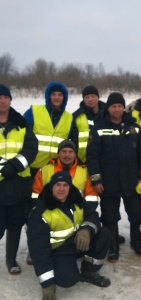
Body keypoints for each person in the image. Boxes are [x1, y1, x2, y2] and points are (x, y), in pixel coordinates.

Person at [86, 92, 141, 262]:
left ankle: (136, 242)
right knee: (109, 216)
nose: (117, 109)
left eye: (120, 106)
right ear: (108, 108)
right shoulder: (98, 128)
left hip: (131, 181)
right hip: (108, 182)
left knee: (136, 214)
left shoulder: (134, 128)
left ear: (124, 108)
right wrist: (96, 180)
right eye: (113, 106)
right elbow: (92, 156)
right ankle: (112, 247)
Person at [27, 171, 111, 299]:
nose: (61, 189)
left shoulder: (76, 200)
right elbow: (39, 250)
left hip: (77, 242)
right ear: (51, 187)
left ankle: (89, 272)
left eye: (65, 185)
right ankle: (60, 268)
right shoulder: (39, 213)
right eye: (58, 185)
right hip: (58, 250)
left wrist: (86, 230)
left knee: (103, 233)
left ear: (70, 187)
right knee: (67, 281)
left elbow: (92, 215)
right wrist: (47, 284)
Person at [0, 84, 38, 274]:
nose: (2, 100)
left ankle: (11, 260)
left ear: (10, 100)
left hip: (18, 185)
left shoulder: (22, 123)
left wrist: (14, 165)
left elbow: (31, 148)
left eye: (5, 97)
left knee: (15, 225)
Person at [24, 81, 74, 178]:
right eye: (53, 94)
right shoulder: (34, 111)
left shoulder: (69, 118)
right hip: (33, 165)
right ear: (48, 96)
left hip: (55, 167)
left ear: (64, 98)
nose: (56, 97)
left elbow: (70, 142)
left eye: (60, 95)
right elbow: (22, 134)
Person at [32, 139, 99, 209]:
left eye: (70, 152)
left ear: (75, 154)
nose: (67, 155)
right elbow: (36, 195)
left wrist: (84, 214)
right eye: (64, 151)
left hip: (76, 214)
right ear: (58, 153)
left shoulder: (85, 172)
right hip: (49, 213)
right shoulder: (45, 170)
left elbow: (91, 198)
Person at [72, 85, 106, 163]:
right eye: (87, 97)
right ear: (83, 100)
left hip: (105, 162)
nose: (90, 99)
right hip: (83, 162)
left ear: (98, 97)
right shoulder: (76, 116)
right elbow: (74, 141)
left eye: (93, 96)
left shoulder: (108, 114)